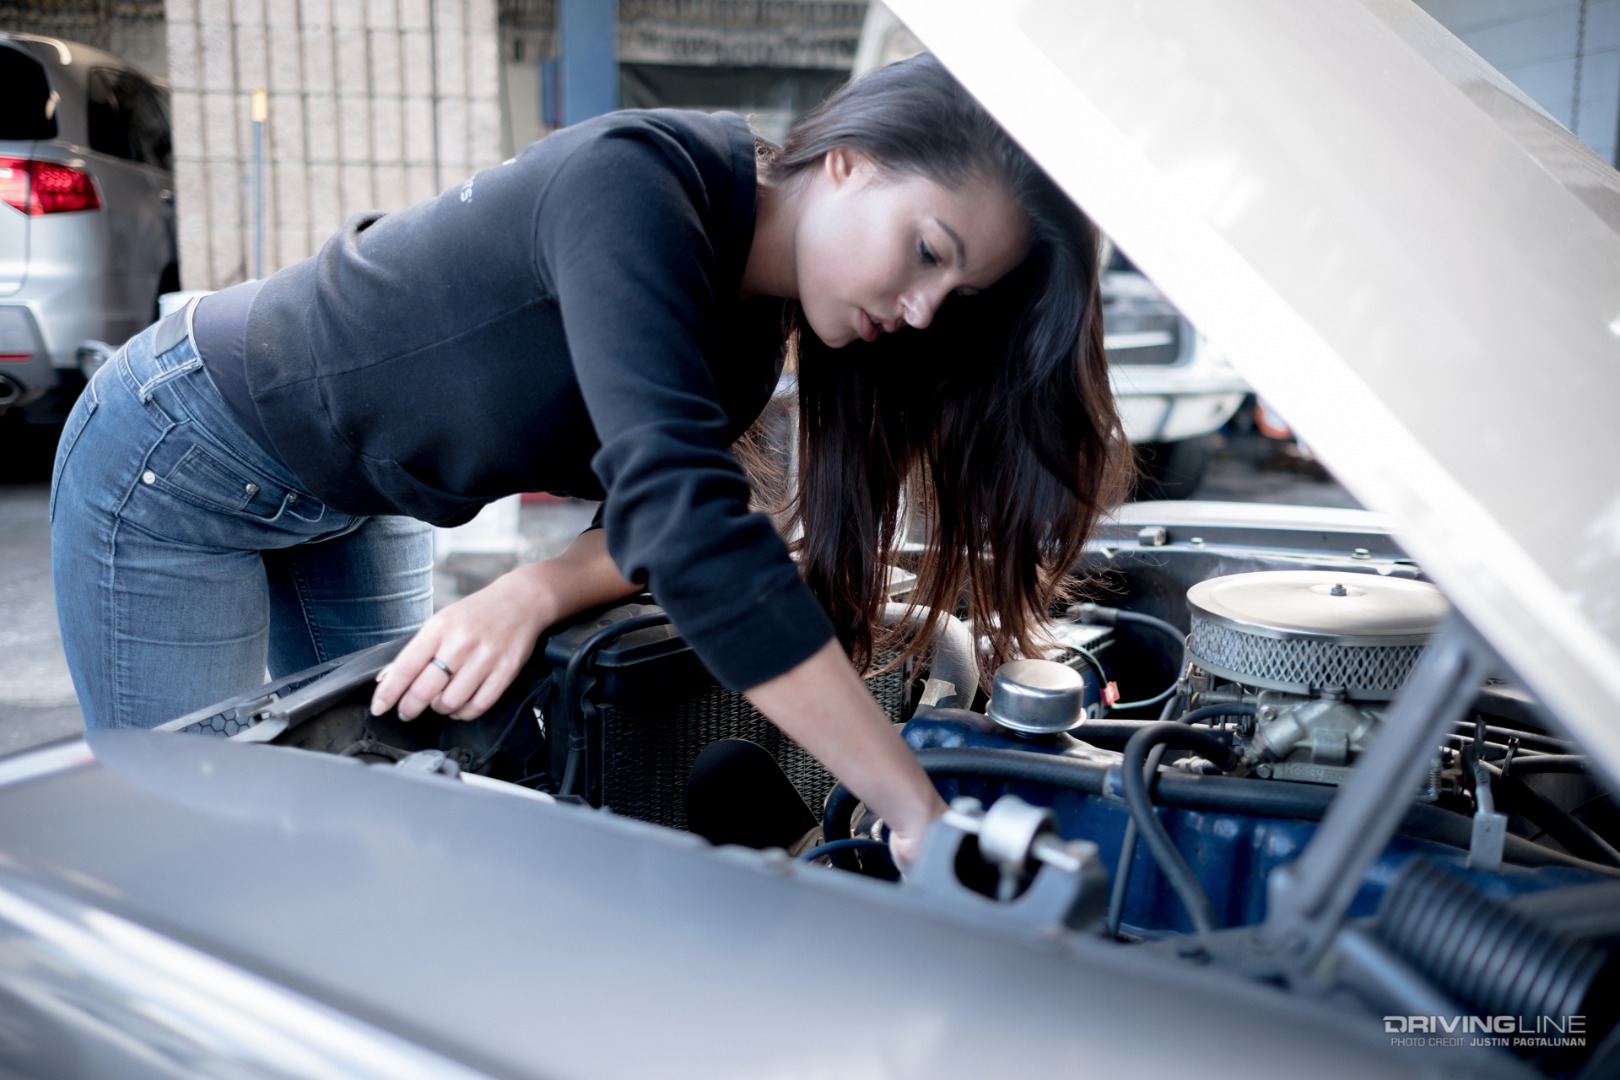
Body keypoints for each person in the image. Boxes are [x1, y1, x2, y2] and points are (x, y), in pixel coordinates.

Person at [50, 54, 1131, 864]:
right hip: (178, 459)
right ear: (849, 165)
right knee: (196, 855)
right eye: (929, 251)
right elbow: (690, 534)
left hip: (360, 497)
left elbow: (662, 506)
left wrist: (536, 587)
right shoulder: (640, 184)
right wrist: (915, 810)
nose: (926, 305)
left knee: (376, 819)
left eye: (958, 295)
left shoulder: (749, 334)